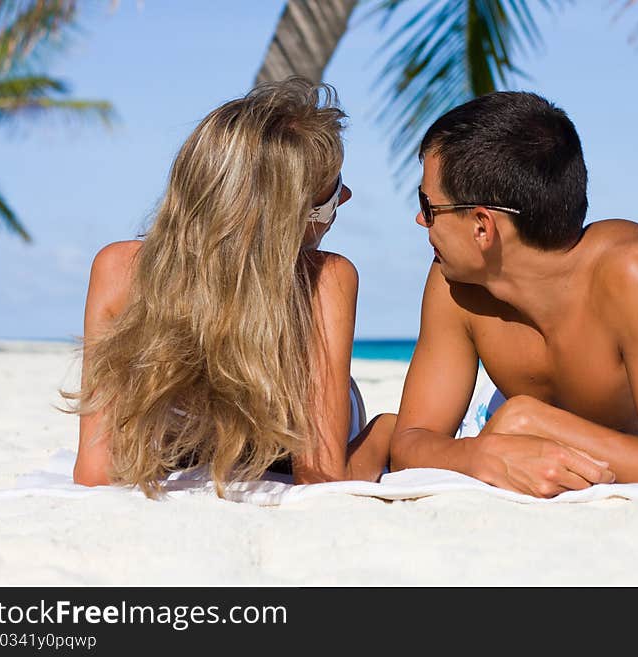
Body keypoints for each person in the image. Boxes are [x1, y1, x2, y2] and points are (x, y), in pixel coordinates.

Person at [390, 90, 638, 497]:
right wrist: (476, 456)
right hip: (513, 408)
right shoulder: (454, 285)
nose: (420, 219)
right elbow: (409, 445)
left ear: (482, 227)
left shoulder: (637, 274)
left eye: (429, 205)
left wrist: (529, 418)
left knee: (512, 413)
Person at [64, 77, 394, 497]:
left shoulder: (118, 268)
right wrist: (385, 431)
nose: (345, 196)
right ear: (286, 214)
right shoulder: (325, 277)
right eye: (330, 192)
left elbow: (94, 472)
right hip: (287, 447)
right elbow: (319, 475)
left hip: (176, 447)